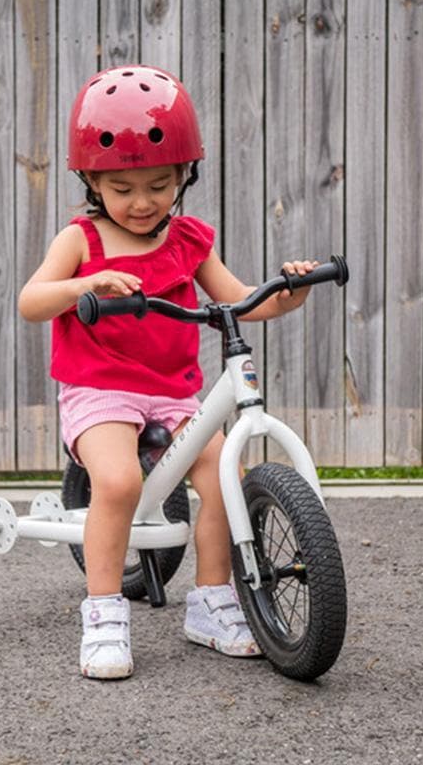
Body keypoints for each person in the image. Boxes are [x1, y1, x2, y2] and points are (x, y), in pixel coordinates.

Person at [18, 64, 317, 680]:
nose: (142, 201)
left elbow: (241, 299)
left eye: (159, 183)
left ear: (185, 175)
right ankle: (102, 614)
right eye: (122, 188)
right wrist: (83, 284)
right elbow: (30, 302)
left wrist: (288, 293)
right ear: (92, 181)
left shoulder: (188, 241)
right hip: (99, 392)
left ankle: (211, 602)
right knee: (122, 482)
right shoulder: (81, 240)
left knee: (223, 476)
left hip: (173, 395)